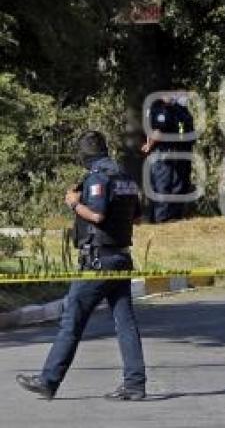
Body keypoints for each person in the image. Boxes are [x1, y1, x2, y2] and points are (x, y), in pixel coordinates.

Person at [16, 131, 146, 401]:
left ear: (85, 156)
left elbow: (96, 214)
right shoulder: (125, 177)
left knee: (71, 320)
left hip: (98, 262)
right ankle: (134, 384)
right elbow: (137, 218)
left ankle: (48, 380)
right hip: (121, 257)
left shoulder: (98, 177)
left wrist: (75, 204)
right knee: (125, 323)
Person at [142, 95, 178, 223]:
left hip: (157, 154)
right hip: (161, 154)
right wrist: (149, 146)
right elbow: (158, 132)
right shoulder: (161, 110)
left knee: (156, 186)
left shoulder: (154, 108)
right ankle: (161, 219)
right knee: (162, 186)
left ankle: (153, 218)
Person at [170, 94, 196, 218]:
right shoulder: (176, 111)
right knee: (178, 182)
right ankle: (174, 213)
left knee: (184, 182)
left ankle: (180, 212)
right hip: (180, 150)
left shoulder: (184, 111)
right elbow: (180, 131)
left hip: (187, 150)